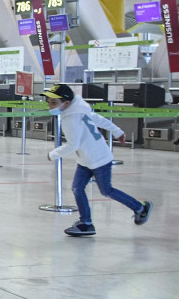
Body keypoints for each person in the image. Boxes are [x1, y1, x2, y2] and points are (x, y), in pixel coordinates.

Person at [42, 84, 152, 236]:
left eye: (53, 102)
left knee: (106, 190)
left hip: (98, 158)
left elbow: (74, 144)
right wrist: (117, 132)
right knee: (77, 188)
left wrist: (53, 154)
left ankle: (140, 207)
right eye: (48, 101)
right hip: (86, 159)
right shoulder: (79, 111)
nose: (49, 105)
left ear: (66, 103)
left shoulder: (70, 118)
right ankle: (86, 223)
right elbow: (99, 119)